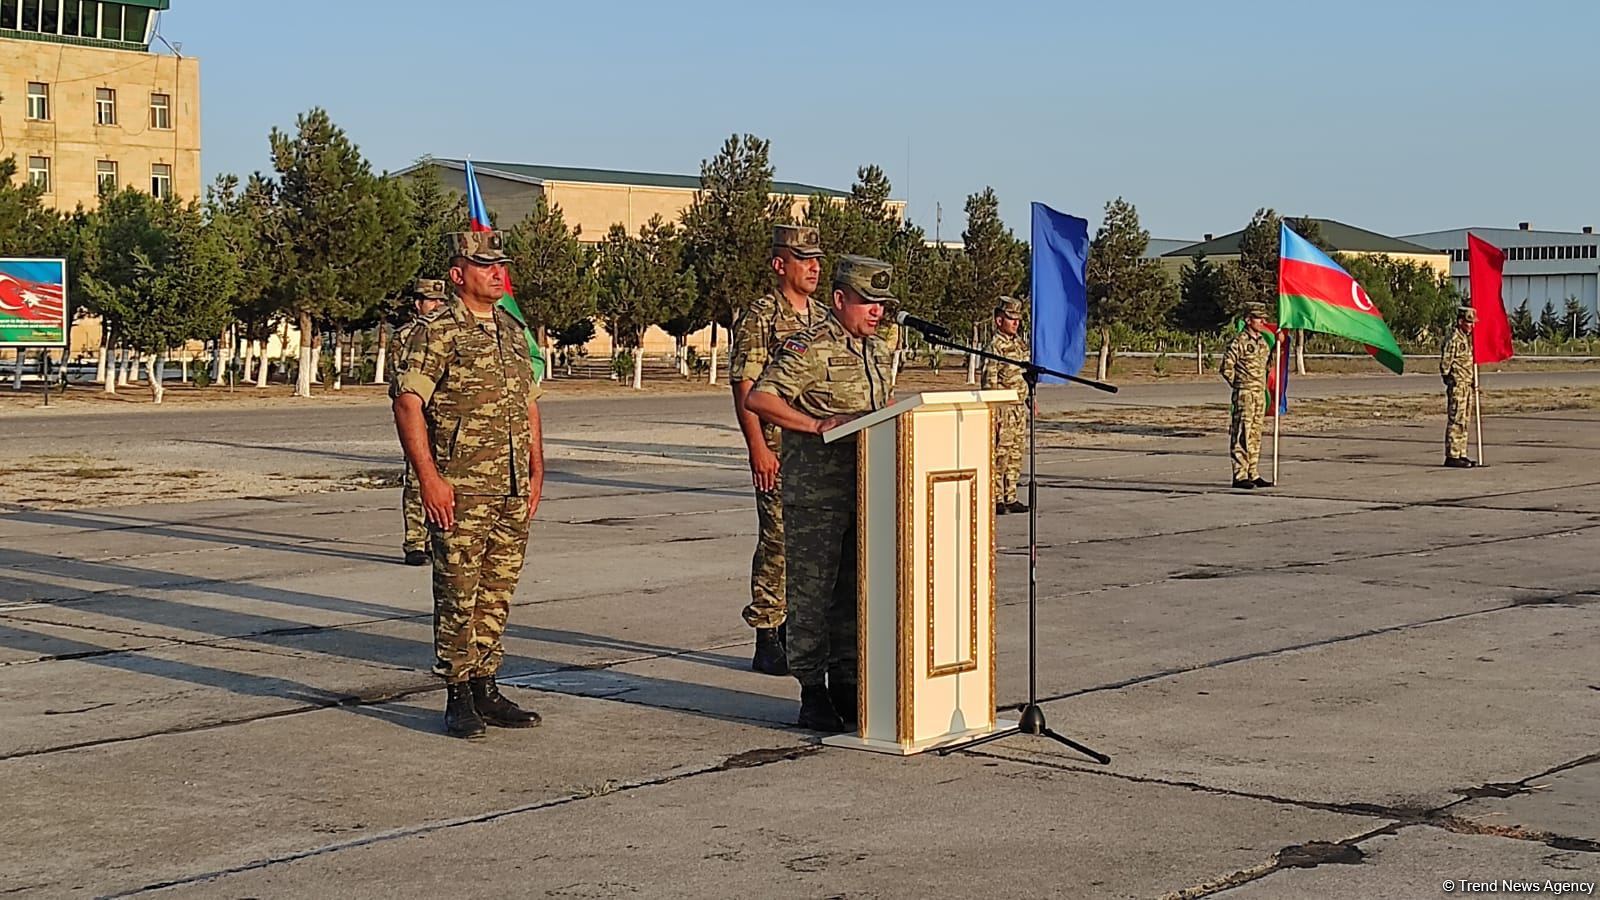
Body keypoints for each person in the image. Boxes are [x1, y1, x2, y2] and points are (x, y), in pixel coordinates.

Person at [390, 231, 545, 740]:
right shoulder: (437, 332)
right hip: (461, 486)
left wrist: (537, 466)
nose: (497, 274)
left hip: (511, 483)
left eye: (500, 266)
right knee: (458, 590)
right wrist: (430, 479)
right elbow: (408, 403)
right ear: (458, 275)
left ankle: (486, 683)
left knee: (497, 590)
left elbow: (528, 402)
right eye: (485, 266)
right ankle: (457, 691)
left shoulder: (509, 328)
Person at [745, 255, 896, 733]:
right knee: (812, 596)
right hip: (816, 496)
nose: (876, 312)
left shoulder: (876, 350)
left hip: (866, 490)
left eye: (881, 304)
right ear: (839, 299)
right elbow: (760, 397)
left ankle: (848, 685)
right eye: (867, 301)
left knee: (855, 594)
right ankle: (812, 690)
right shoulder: (809, 346)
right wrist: (815, 425)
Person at [728, 225, 828, 676]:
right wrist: (756, 447)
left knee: (814, 545)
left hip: (820, 450)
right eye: (803, 259)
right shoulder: (762, 317)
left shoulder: (825, 318)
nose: (814, 268)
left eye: (817, 260)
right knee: (779, 541)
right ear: (778, 264)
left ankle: (800, 627)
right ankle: (768, 632)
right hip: (777, 447)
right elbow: (744, 384)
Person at [395, 278, 448, 566]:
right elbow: (403, 384)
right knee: (417, 479)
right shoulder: (406, 337)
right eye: (431, 300)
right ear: (418, 304)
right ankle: (416, 542)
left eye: (441, 301)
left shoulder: (450, 333)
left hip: (449, 420)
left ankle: (439, 538)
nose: (437, 305)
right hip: (420, 418)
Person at [982, 296, 1029, 514]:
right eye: (1011, 319)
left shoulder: (1019, 344)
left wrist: (1030, 399)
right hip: (1003, 408)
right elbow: (989, 379)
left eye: (1018, 319)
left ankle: (1011, 495)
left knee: (1015, 454)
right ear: (999, 320)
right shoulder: (995, 346)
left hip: (1018, 408)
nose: (1016, 323)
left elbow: (1024, 375)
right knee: (999, 454)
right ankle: (995, 496)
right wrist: (993, 412)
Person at [1220, 304, 1273, 489]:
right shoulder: (1239, 341)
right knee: (1243, 432)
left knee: (1255, 434)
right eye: (1259, 319)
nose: (1263, 322)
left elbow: (1268, 364)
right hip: (1245, 394)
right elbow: (1226, 367)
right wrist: (1240, 384)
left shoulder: (1263, 342)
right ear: (1248, 320)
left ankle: (1253, 472)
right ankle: (1240, 475)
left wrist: (1279, 345)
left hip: (1259, 394)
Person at [1441, 305, 1477, 468]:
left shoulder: (1465, 339)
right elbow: (1445, 365)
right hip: (1458, 385)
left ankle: (1461, 453)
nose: (1472, 326)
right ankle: (1452, 455)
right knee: (1456, 420)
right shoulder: (1454, 339)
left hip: (1467, 385)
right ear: (1460, 322)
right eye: (1469, 322)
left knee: (1464, 420)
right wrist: (1452, 380)